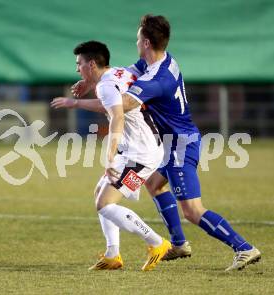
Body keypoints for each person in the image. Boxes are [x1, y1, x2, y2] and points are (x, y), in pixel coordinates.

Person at [51, 15, 261, 271]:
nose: (136, 42)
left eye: (138, 39)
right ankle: (179, 243)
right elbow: (123, 76)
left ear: (147, 42)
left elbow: (118, 108)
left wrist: (89, 97)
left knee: (193, 211)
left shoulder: (156, 81)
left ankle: (243, 248)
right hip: (169, 142)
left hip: (179, 145)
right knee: (153, 184)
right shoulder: (160, 61)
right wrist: (93, 80)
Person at [58, 40, 171, 271]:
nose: (77, 69)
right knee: (100, 193)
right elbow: (110, 105)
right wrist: (78, 97)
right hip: (136, 147)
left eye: (79, 64)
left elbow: (117, 117)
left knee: (105, 204)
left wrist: (109, 158)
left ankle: (157, 243)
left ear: (91, 64)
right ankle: (112, 255)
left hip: (141, 152)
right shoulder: (119, 72)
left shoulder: (106, 86)